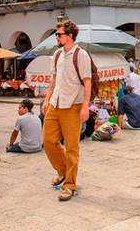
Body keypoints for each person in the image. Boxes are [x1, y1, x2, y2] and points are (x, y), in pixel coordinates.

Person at [42, 20, 92, 202]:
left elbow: (88, 81)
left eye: (59, 34)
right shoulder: (56, 55)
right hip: (55, 103)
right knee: (48, 141)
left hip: (73, 105)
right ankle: (63, 171)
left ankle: (69, 185)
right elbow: (53, 79)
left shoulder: (81, 55)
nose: (57, 37)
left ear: (70, 36)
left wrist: (86, 106)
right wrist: (47, 99)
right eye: (57, 34)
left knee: (72, 148)